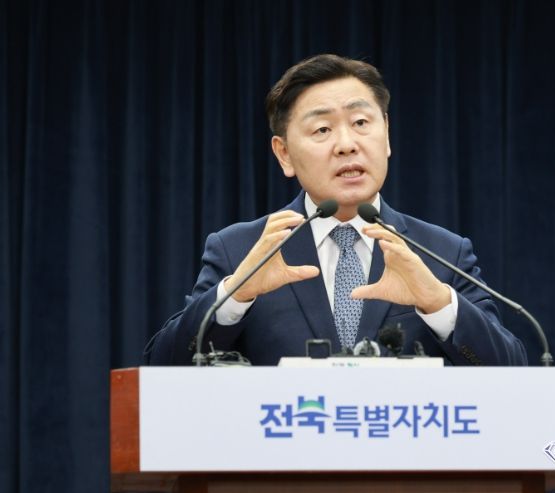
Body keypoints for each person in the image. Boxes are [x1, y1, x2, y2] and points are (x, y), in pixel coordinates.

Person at [144, 54, 527, 366]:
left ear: (386, 134)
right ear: (284, 153)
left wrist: (438, 303)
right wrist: (236, 295)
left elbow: (512, 371)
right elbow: (162, 367)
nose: (346, 144)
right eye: (322, 130)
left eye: (360, 122)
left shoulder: (442, 252)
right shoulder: (241, 250)